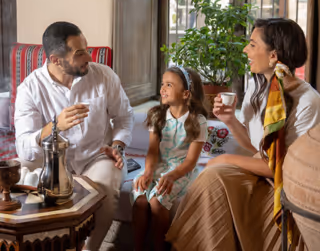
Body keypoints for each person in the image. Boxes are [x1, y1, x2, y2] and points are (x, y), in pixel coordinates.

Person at [166, 18, 320, 251]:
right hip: (261, 169)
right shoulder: (257, 89)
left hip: (284, 184)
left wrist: (225, 158)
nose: (245, 50)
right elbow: (257, 147)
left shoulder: (307, 101)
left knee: (214, 174)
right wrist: (230, 120)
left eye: (252, 44)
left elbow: (282, 167)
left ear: (273, 56)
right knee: (213, 178)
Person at [14, 21, 134, 251]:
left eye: (87, 49)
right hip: (52, 161)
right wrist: (54, 126)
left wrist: (118, 146)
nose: (88, 57)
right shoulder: (30, 88)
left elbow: (124, 117)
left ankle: (90, 249)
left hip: (97, 156)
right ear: (55, 60)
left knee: (106, 188)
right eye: (80, 53)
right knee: (16, 170)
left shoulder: (104, 76)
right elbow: (24, 147)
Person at [131, 66, 208, 251]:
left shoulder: (198, 121)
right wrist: (148, 171)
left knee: (157, 202)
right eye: (162, 84)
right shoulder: (158, 116)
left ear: (185, 93)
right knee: (140, 199)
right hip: (157, 166)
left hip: (181, 171)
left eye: (169, 85)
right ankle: (137, 248)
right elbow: (152, 151)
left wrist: (172, 176)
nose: (162, 89)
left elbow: (190, 162)